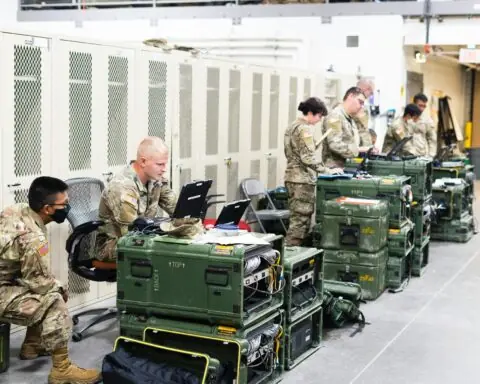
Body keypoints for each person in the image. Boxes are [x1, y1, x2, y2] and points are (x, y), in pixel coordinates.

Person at [0, 177, 101, 384]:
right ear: (47, 209)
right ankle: (62, 369)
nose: (68, 208)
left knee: (46, 287)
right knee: (54, 298)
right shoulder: (33, 238)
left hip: (7, 280)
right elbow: (40, 284)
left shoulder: (17, 210)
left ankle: (32, 346)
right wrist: (60, 287)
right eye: (64, 204)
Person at [96, 136, 177, 260]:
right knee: (169, 252)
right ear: (143, 162)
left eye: (165, 164)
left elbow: (177, 209)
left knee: (180, 247)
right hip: (114, 246)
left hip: (143, 236)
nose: (164, 169)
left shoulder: (155, 179)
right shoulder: (123, 187)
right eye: (160, 164)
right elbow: (132, 234)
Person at [283, 97, 342, 246]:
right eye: (319, 116)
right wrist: (327, 170)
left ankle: (290, 256)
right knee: (300, 223)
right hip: (301, 180)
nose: (319, 119)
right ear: (310, 113)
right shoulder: (304, 128)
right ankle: (290, 257)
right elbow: (307, 158)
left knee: (297, 220)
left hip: (292, 177)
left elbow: (294, 151)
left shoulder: (292, 126)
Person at [323, 87, 374, 168]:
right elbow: (334, 144)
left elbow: (351, 141)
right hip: (333, 170)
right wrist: (358, 150)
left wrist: (367, 149)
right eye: (360, 102)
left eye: (362, 104)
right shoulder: (335, 116)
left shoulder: (349, 119)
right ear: (351, 96)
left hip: (345, 167)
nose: (361, 106)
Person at [413, 93, 438, 158]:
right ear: (414, 104)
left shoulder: (427, 120)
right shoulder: (406, 117)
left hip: (421, 155)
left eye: (424, 106)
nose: (422, 109)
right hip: (405, 155)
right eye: (420, 105)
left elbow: (432, 139)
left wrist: (431, 156)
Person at [354, 78, 376, 147]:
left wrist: (370, 148)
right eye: (371, 92)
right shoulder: (348, 108)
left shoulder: (364, 108)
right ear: (364, 89)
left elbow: (364, 131)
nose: (371, 95)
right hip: (353, 150)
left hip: (363, 149)